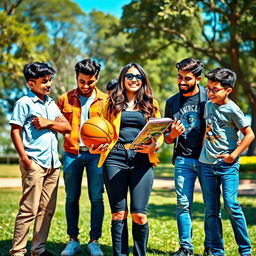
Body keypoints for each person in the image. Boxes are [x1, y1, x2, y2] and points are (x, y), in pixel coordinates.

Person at [90, 63, 162, 256]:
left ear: (143, 80)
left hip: (142, 159)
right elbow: (97, 129)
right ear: (122, 78)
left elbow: (159, 132)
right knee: (119, 213)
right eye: (130, 76)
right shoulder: (109, 103)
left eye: (138, 77)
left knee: (139, 214)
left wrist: (154, 146)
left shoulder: (151, 104)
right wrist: (94, 145)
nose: (134, 80)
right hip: (115, 158)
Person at [9, 62, 71, 256]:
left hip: (53, 164)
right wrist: (25, 159)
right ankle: (18, 251)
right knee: (29, 209)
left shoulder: (50, 103)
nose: (48, 84)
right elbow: (15, 131)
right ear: (31, 83)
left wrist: (48, 123)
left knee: (47, 209)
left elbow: (67, 127)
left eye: (50, 80)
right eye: (44, 81)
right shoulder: (24, 103)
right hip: (34, 162)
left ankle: (38, 249)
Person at [198, 68, 255, 256]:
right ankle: (217, 251)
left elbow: (249, 134)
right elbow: (209, 130)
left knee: (231, 204)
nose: (210, 92)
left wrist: (233, 155)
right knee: (211, 209)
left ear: (228, 90)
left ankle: (245, 251)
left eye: (215, 89)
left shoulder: (233, 109)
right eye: (208, 88)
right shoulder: (208, 105)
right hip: (206, 165)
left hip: (227, 165)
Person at [57, 59, 108, 256]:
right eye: (82, 81)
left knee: (96, 197)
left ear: (97, 78)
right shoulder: (64, 99)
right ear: (76, 78)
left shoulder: (106, 101)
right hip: (72, 153)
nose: (86, 86)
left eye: (91, 81)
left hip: (96, 155)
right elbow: (58, 125)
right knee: (71, 198)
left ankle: (94, 241)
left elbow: (112, 128)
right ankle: (73, 240)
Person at [164, 57, 208, 256]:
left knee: (211, 204)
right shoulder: (172, 102)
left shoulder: (209, 98)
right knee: (183, 203)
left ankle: (213, 246)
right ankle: (186, 247)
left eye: (187, 78)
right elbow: (167, 139)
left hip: (207, 160)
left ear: (198, 79)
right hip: (182, 160)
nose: (182, 82)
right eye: (179, 77)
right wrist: (172, 134)